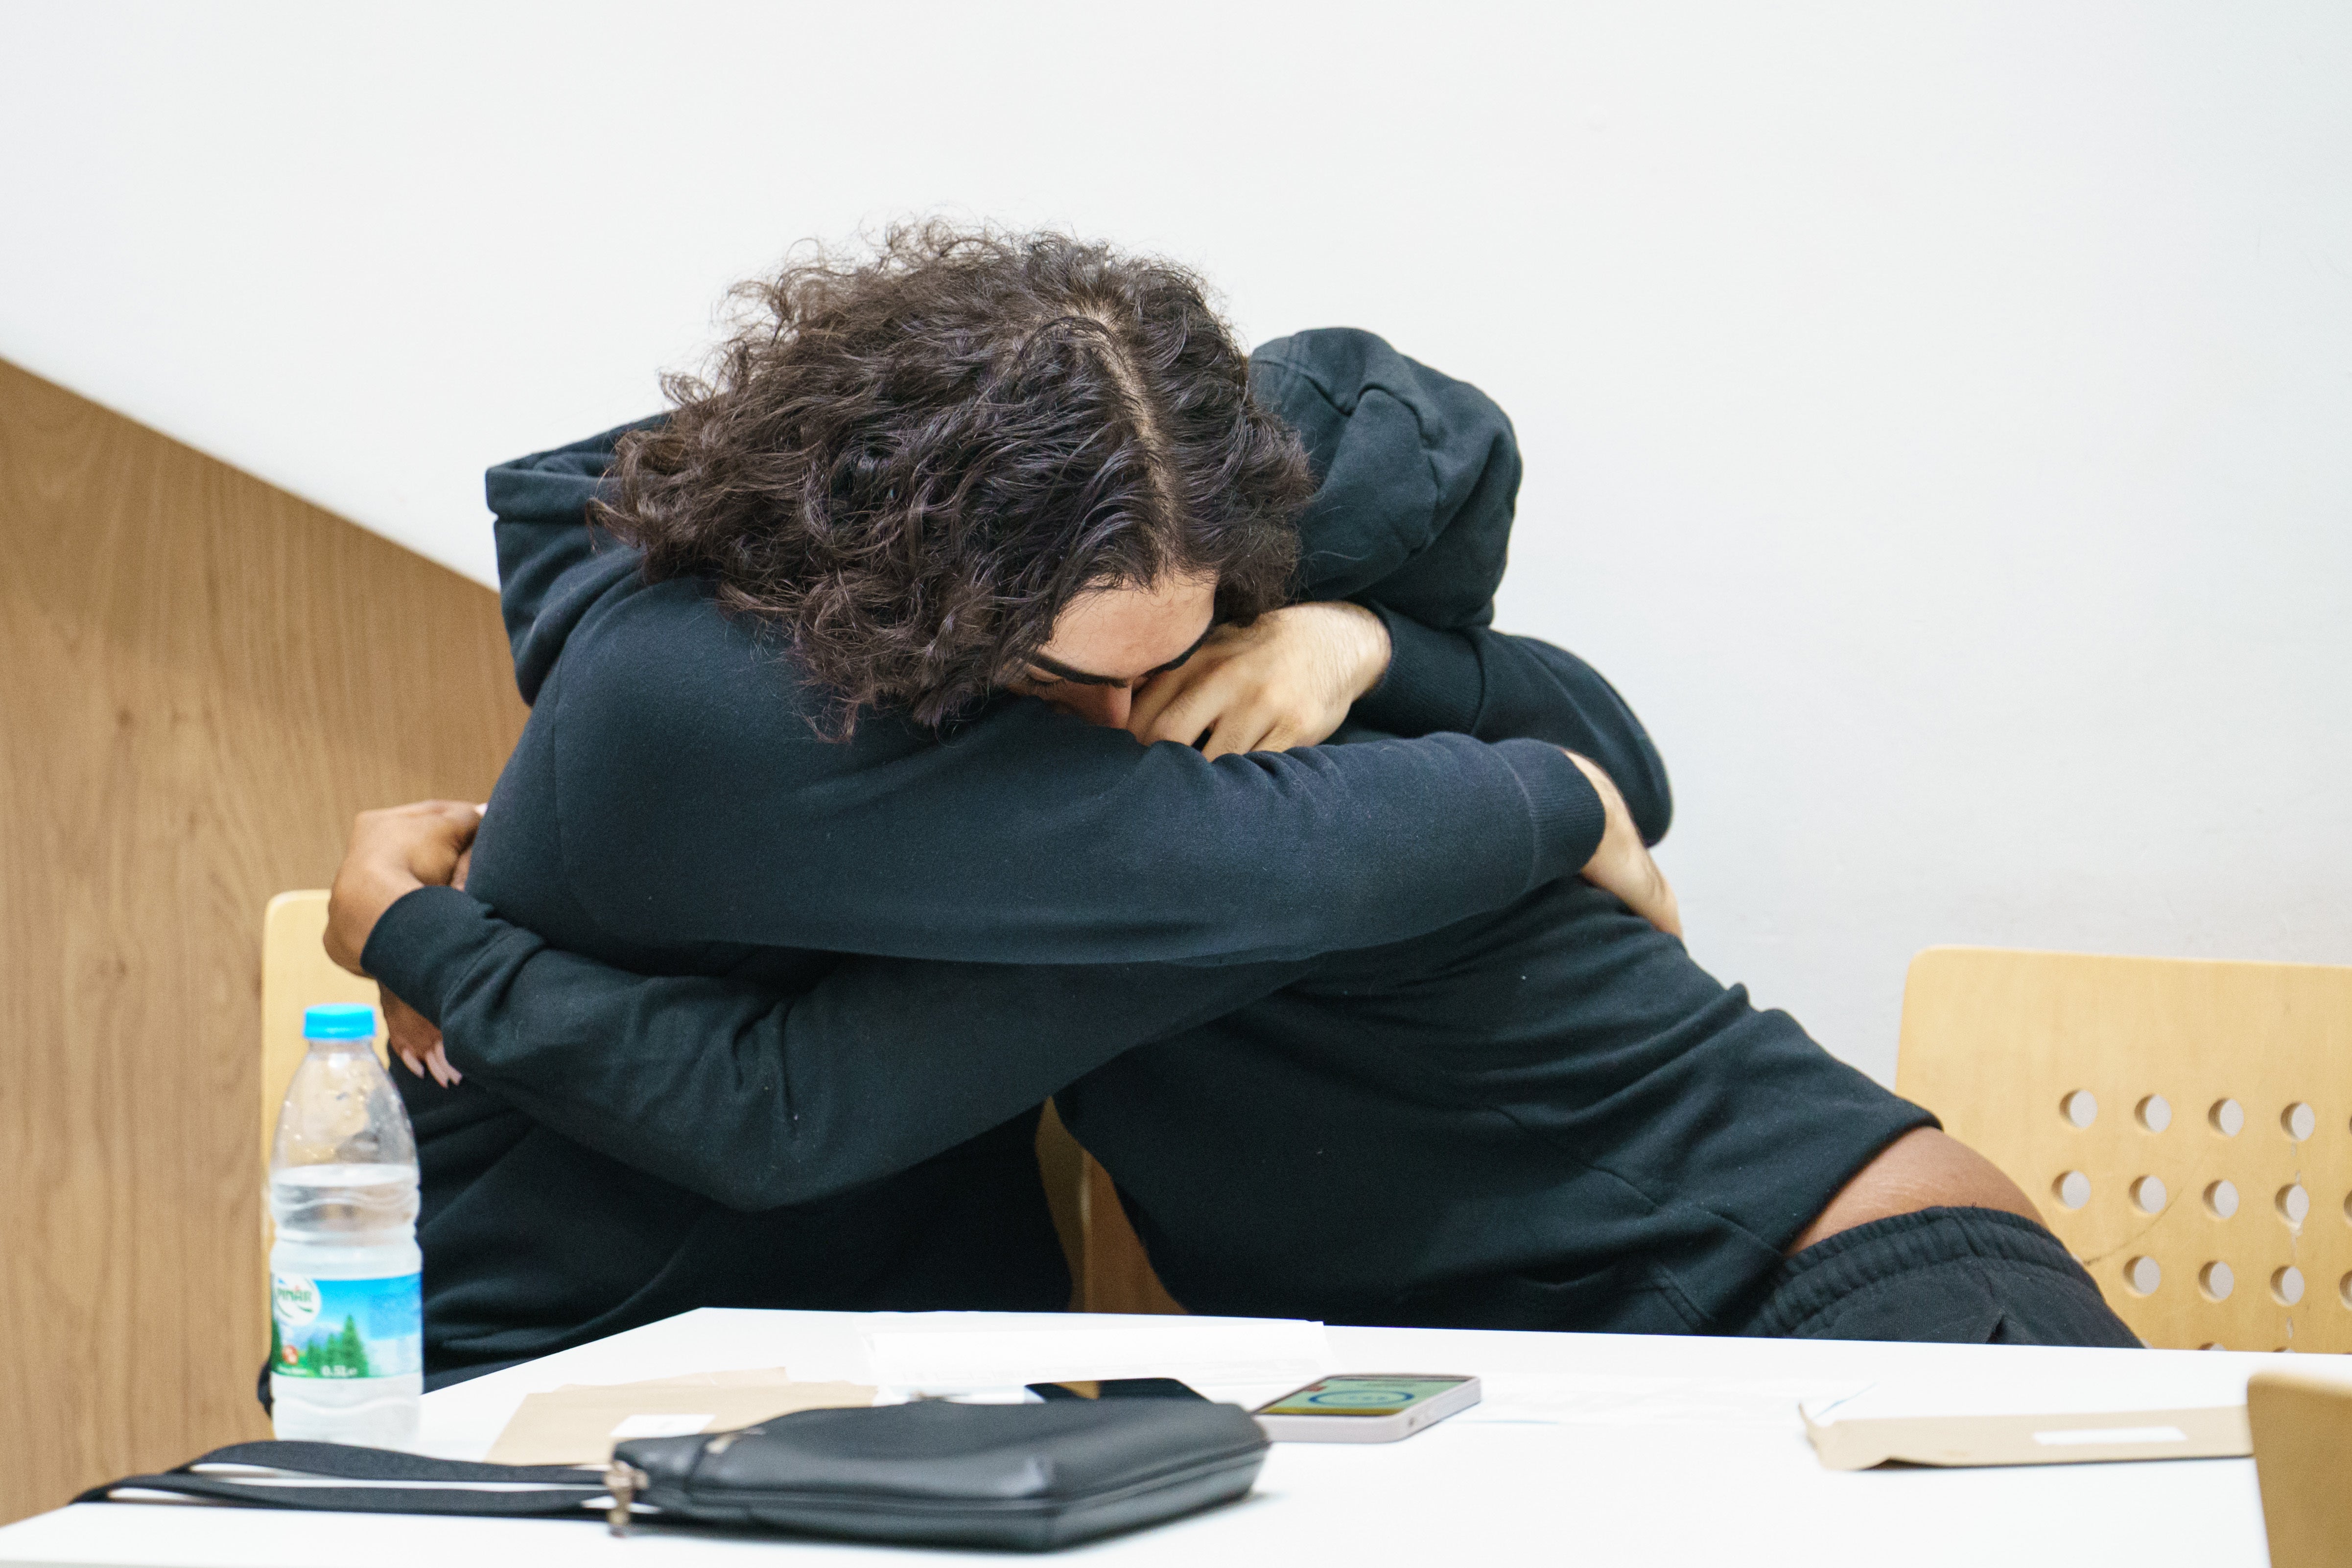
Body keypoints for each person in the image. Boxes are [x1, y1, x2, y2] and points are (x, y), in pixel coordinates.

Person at [330, 228, 2135, 1381]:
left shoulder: (1225, 676)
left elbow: (1590, 721)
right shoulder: (850, 739)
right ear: (913, 599)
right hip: (1516, 1380)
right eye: (1066, 674)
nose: (1131, 714)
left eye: (1191, 640)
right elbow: (791, 1108)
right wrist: (1550, 789)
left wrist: (1369, 649)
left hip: (1816, 1291)